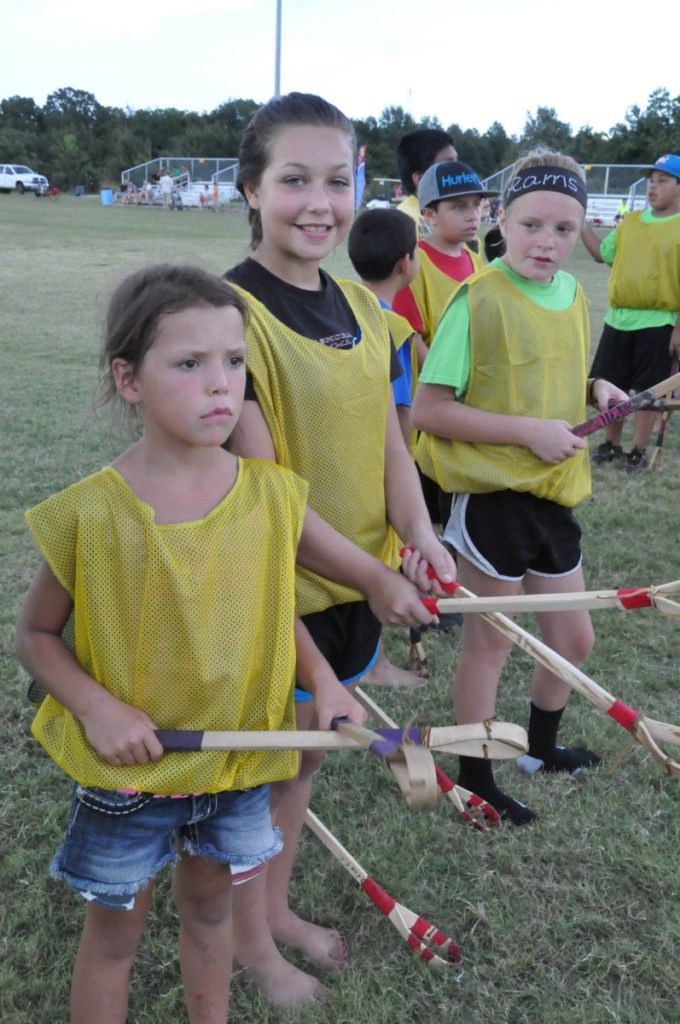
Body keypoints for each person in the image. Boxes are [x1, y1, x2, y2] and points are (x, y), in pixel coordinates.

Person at [14, 263, 367, 1024]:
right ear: (128, 379)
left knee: (211, 911)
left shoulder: (268, 495)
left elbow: (281, 605)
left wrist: (330, 678)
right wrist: (96, 707)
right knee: (115, 938)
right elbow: (36, 636)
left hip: (237, 761)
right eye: (189, 363)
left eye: (234, 363)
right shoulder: (91, 514)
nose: (221, 385)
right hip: (130, 775)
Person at [224, 92, 456, 1006]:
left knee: (303, 760)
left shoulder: (362, 303)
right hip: (278, 599)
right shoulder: (230, 317)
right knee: (263, 779)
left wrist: (421, 537)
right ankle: (254, 943)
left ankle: (270, 911)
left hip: (352, 592)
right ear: (250, 189)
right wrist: (369, 572)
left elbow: (389, 445)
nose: (320, 202)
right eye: (293, 180)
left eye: (338, 178)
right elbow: (265, 496)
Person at [412, 150, 628, 825]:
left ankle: (540, 747)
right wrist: (524, 432)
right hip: (493, 499)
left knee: (573, 638)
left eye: (565, 230)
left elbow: (560, 375)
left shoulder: (570, 295)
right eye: (531, 225)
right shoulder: (477, 299)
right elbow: (430, 408)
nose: (548, 242)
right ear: (497, 221)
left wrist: (597, 387)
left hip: (555, 493)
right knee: (493, 642)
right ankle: (477, 776)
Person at [394, 159, 495, 532]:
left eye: (476, 205)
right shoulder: (415, 262)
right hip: (431, 402)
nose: (472, 215)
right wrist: (443, 377)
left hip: (468, 398)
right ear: (429, 215)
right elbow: (409, 333)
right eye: (457, 207)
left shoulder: (475, 259)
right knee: (430, 498)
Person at [582, 153, 680, 473]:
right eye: (651, 181)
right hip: (617, 318)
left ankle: (637, 451)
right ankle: (611, 444)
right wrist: (579, 221)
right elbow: (601, 254)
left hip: (659, 320)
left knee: (648, 392)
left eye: (662, 181)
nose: (653, 187)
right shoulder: (632, 223)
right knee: (609, 385)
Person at [347, 207, 421, 449]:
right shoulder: (394, 327)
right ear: (405, 264)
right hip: (380, 460)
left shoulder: (341, 305)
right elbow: (401, 408)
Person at [395, 127, 457, 237]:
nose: (459, 170)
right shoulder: (402, 222)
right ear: (420, 179)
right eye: (449, 165)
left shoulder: (457, 220)